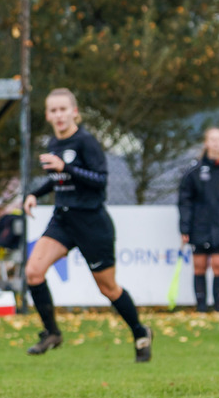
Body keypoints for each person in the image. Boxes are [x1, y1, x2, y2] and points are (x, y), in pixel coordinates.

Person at [23, 88, 152, 362]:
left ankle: (141, 332)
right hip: (63, 219)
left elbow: (99, 180)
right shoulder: (53, 143)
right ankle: (52, 332)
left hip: (91, 222)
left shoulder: (86, 142)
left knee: (108, 288)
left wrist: (65, 168)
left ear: (75, 112)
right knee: (33, 272)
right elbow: (58, 179)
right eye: (53, 110)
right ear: (48, 115)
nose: (58, 115)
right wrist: (35, 193)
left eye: (63, 109)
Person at [178, 127, 219, 312]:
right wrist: (184, 227)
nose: (216, 143)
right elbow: (185, 201)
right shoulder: (194, 172)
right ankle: (201, 308)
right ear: (206, 142)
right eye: (212, 139)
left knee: (218, 266)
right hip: (199, 226)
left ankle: (218, 308)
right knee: (199, 266)